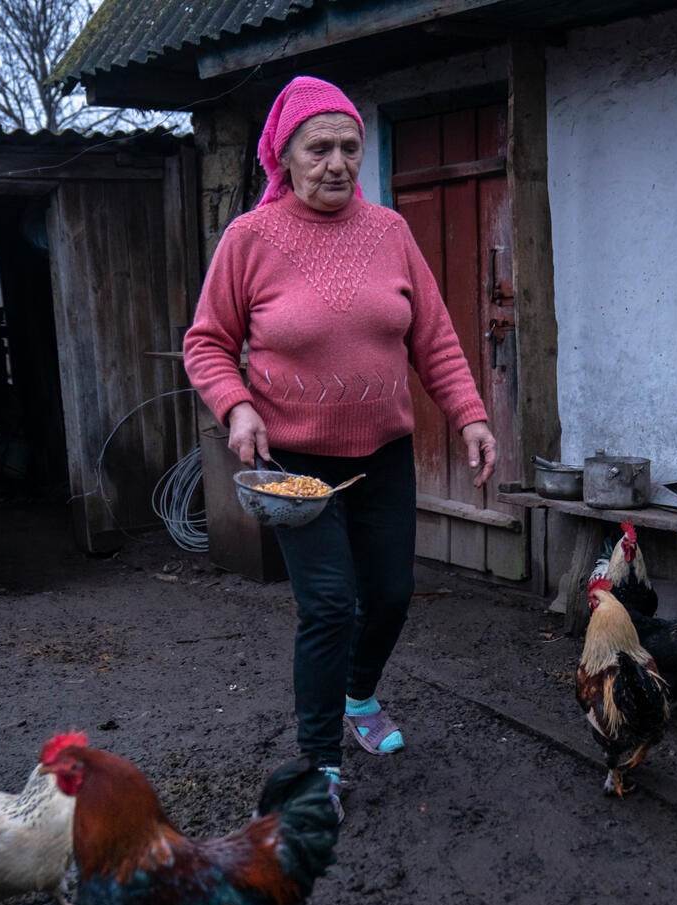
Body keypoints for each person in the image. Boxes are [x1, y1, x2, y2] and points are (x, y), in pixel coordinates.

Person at [182, 76, 497, 820]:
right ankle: (318, 762)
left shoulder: (389, 232)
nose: (336, 162)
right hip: (294, 463)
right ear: (283, 156)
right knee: (329, 605)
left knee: (387, 595)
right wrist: (237, 408)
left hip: (380, 456)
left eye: (349, 146)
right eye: (318, 147)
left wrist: (472, 416)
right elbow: (206, 344)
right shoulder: (249, 240)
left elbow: (436, 339)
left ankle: (361, 697)